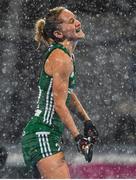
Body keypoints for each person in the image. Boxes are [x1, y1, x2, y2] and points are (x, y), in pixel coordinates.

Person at [21, 6, 98, 179]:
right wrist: (78, 138)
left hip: (43, 134)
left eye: (75, 18)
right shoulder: (61, 58)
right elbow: (59, 104)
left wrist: (87, 122)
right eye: (71, 21)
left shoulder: (66, 56)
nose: (78, 23)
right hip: (43, 133)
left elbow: (67, 94)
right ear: (58, 34)